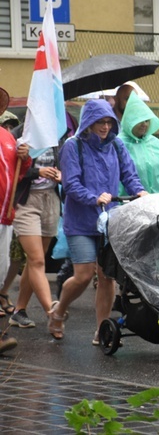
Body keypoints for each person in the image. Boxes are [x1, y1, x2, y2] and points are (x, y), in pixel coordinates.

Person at [50, 99, 147, 342]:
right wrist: (94, 198)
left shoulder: (116, 145)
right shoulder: (73, 147)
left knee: (107, 276)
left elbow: (129, 175)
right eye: (99, 122)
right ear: (88, 123)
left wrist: (140, 192)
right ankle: (59, 310)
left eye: (108, 122)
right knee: (83, 275)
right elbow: (70, 184)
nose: (104, 127)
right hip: (81, 221)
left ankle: (102, 329)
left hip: (108, 220)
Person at [8, 136, 63, 329]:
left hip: (50, 199)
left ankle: (19, 310)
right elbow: (12, 170)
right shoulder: (19, 136)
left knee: (35, 262)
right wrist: (37, 171)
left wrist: (60, 174)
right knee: (37, 260)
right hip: (26, 202)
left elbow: (65, 164)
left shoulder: (57, 135)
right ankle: (52, 311)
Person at [0, 86, 31, 353]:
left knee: (1, 272)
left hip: (5, 216)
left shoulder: (7, 138)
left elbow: (18, 173)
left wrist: (25, 158)